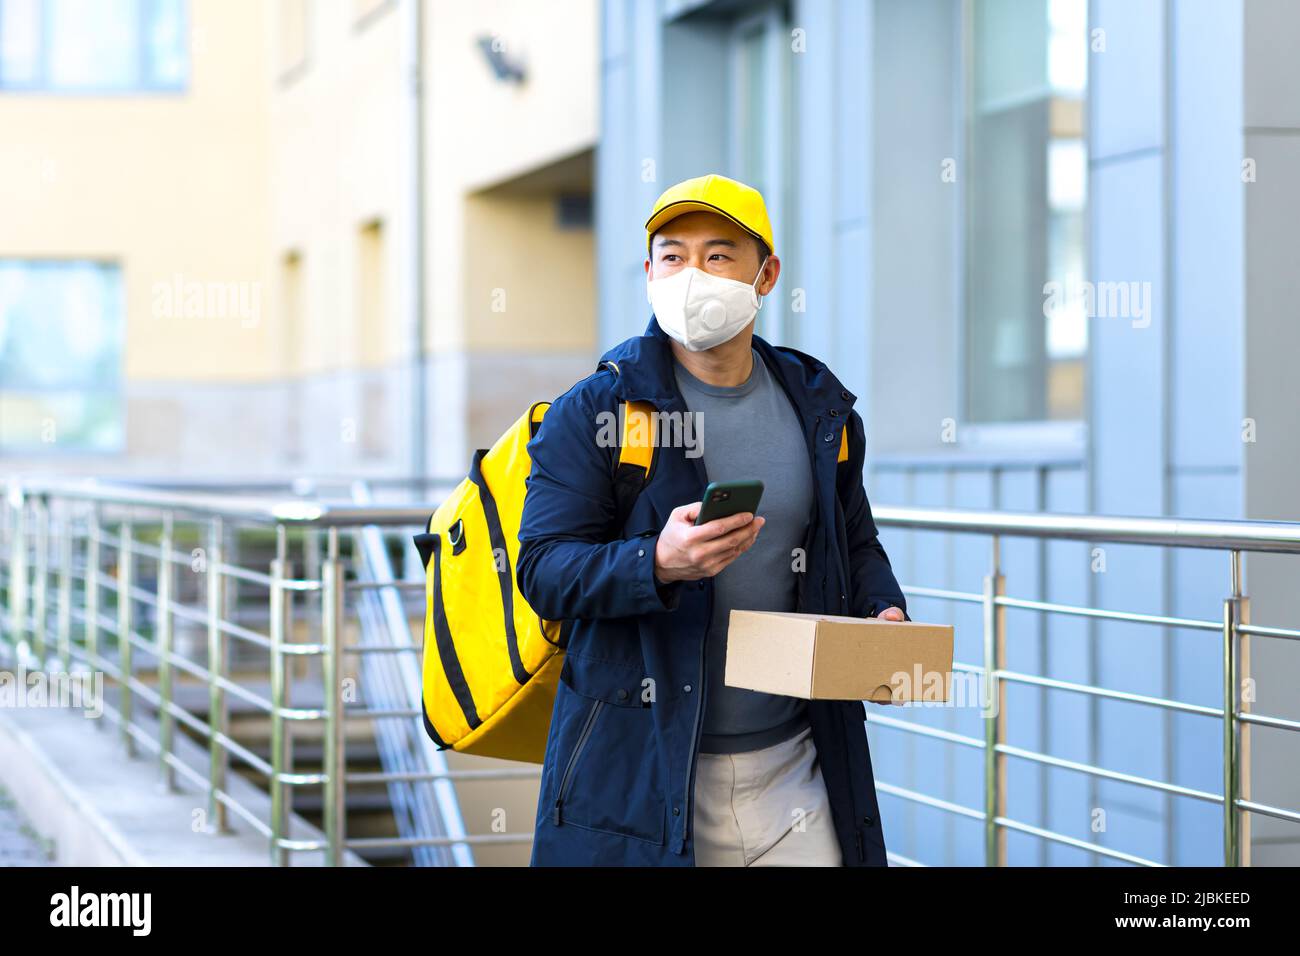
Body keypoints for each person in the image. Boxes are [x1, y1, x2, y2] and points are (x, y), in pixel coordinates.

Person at [517, 173, 907, 867]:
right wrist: (657, 563)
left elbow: (854, 539)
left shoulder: (823, 411)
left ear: (766, 274)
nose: (692, 274)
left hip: (798, 767)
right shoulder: (596, 412)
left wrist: (882, 610)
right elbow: (543, 569)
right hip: (645, 771)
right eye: (673, 255)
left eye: (719, 255)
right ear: (648, 273)